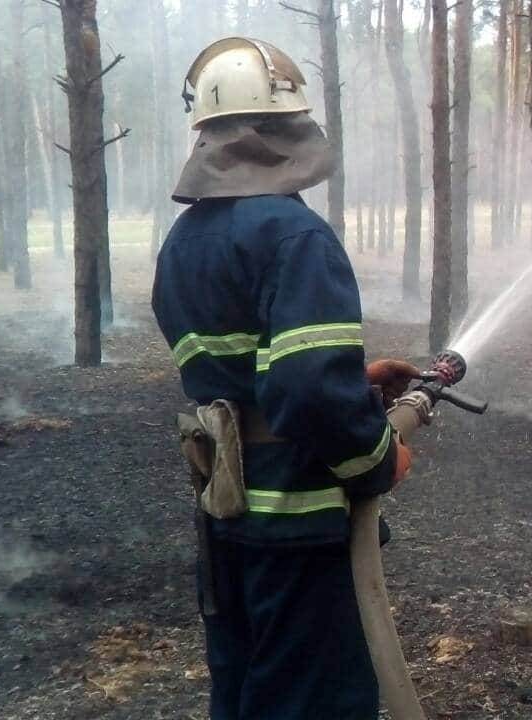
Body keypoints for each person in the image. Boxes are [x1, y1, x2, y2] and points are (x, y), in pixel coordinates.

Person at [151, 37, 415, 720]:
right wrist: (381, 458)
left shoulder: (185, 243)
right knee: (310, 701)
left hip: (225, 517)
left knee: (244, 695)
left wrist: (351, 377)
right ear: (282, 132)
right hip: (296, 525)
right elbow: (305, 394)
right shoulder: (293, 235)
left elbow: (246, 371)